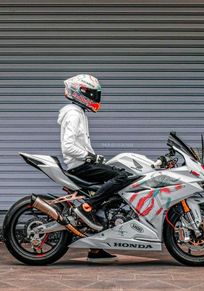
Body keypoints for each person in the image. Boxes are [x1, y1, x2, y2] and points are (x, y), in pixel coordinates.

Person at [57, 74, 130, 263]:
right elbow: (68, 146)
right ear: (80, 92)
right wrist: (90, 157)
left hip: (84, 163)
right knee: (122, 177)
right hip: (80, 166)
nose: (95, 98)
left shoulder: (79, 112)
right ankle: (86, 207)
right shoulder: (73, 113)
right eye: (91, 93)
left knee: (110, 197)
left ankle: (96, 248)